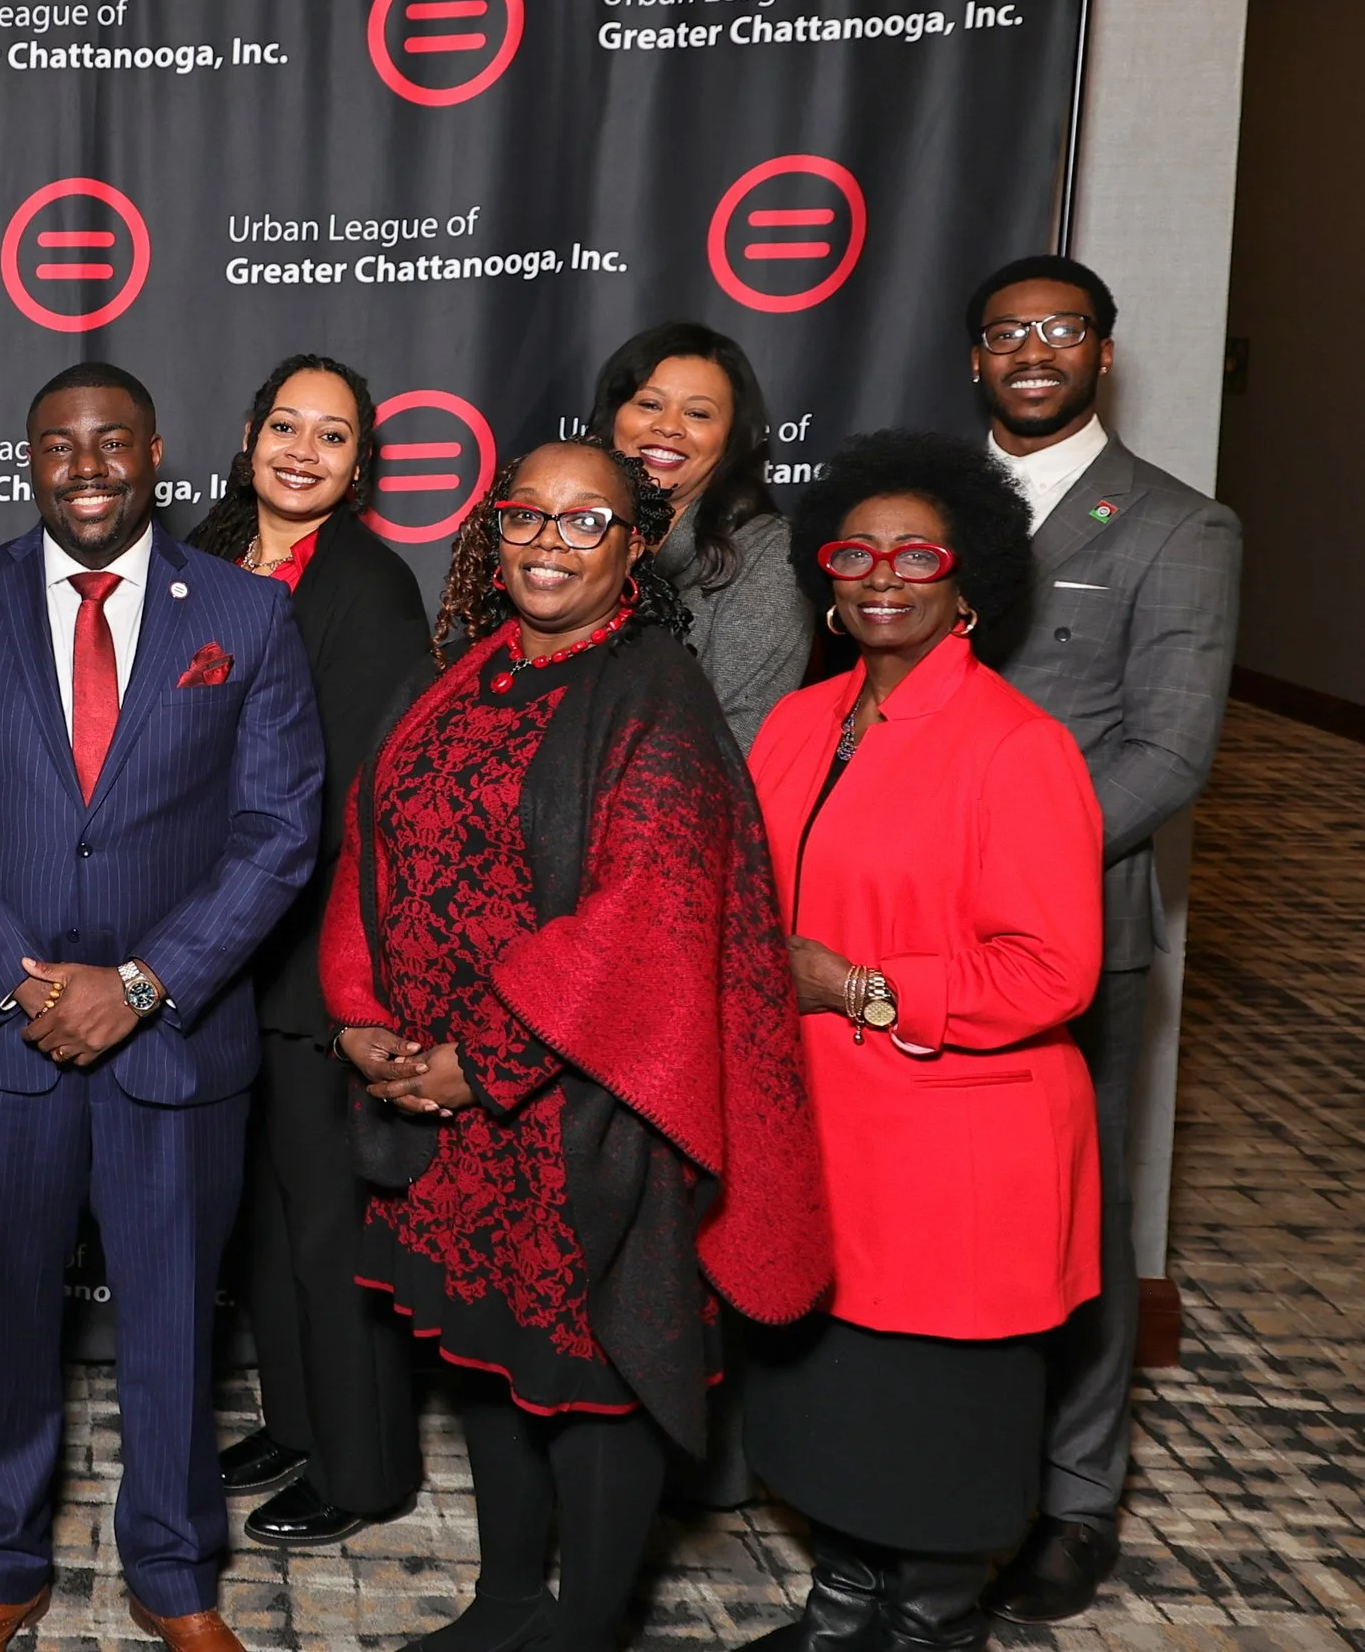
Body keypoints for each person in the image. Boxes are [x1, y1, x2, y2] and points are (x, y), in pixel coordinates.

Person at [320, 439, 831, 1652]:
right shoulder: (467, 668)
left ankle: (586, 1624)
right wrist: (359, 1014)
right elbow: (369, 840)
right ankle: (506, 1600)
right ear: (493, 533)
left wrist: (481, 1057)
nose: (548, 543)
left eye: (582, 521)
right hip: (441, 1102)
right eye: (524, 517)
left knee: (593, 1371)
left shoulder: (655, 688)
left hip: (576, 1108)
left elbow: (647, 908)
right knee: (488, 1353)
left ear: (634, 545)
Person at [0, 362, 325, 1652]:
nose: (85, 466)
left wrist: (139, 984)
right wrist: (17, 977)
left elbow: (280, 829)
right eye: (58, 446)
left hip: (171, 1039)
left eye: (109, 442)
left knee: (176, 1319)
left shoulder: (244, 609)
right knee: (4, 1315)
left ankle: (175, 1577)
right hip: (1, 1035)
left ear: (156, 451)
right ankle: (1, 1563)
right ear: (28, 461)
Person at [744, 431, 1105, 1652]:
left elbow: (1052, 969)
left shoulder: (1017, 745)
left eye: (916, 552)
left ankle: (931, 1624)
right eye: (854, 551)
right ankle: (841, 1610)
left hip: (957, 1151)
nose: (881, 572)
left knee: (937, 1418)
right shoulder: (795, 723)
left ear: (966, 580)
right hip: (819, 1133)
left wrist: (854, 984)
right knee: (830, 1400)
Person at [961, 256, 1243, 1625]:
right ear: (975, 360)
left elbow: (1167, 751)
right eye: (1007, 332)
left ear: (1103, 355)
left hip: (1072, 924)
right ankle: (946, 1472)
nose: (1033, 350)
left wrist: (997, 868)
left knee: (1078, 1217)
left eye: (1060, 329)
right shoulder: (925, 512)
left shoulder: (1179, 528)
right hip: (890, 935)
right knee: (933, 1212)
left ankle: (1076, 1500)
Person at [186, 354, 430, 1548]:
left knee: (331, 1219)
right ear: (247, 431)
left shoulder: (369, 587)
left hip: (307, 948)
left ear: (357, 463)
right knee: (270, 1219)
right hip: (206, 943)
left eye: (330, 436)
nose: (301, 450)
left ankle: (365, 1462)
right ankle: (296, 1419)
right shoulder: (202, 553)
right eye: (285, 424)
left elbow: (354, 794)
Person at [592, 321, 808, 747]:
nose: (668, 427)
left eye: (697, 413)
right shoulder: (563, 534)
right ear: (613, 416)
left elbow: (741, 740)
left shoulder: (766, 554)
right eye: (650, 404)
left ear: (730, 441)